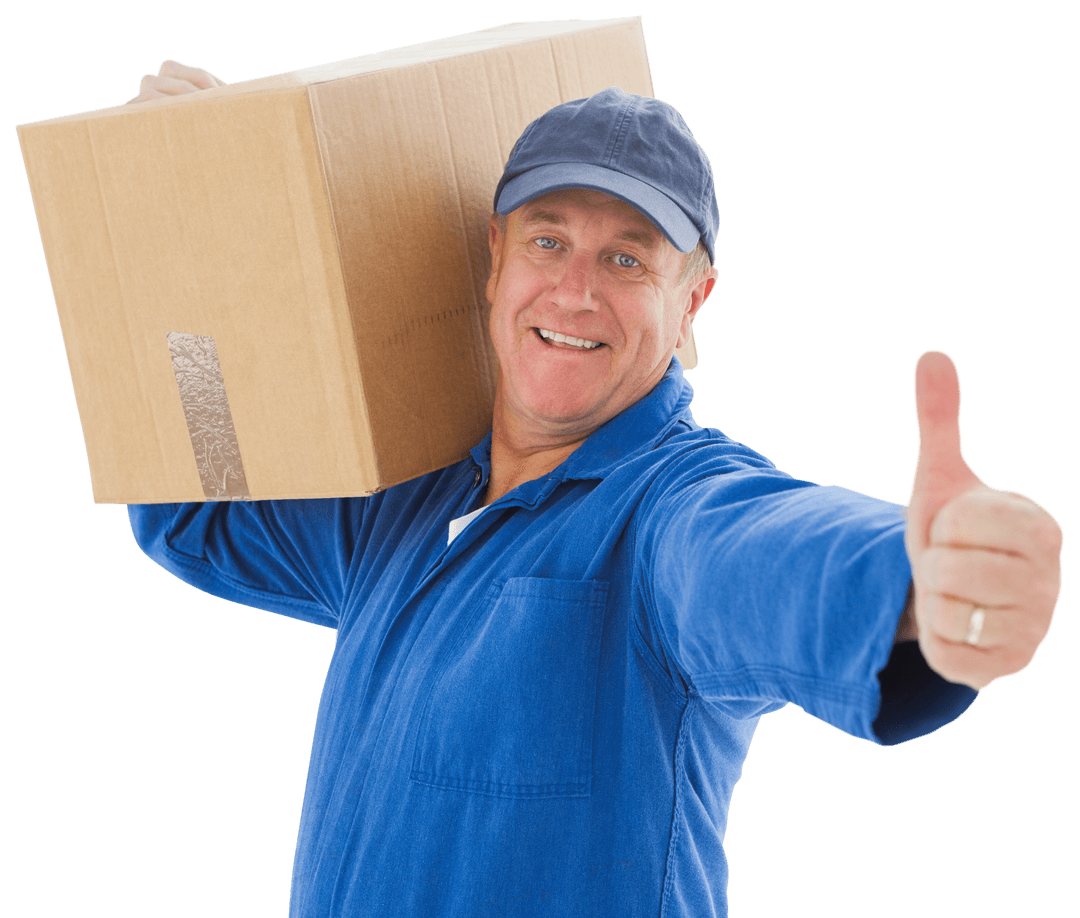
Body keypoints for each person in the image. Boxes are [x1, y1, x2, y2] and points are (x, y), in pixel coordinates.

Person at [125, 60, 1062, 917]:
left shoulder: (668, 512)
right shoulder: (399, 517)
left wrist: (918, 581)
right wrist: (186, 225)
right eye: (548, 240)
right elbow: (196, 502)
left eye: (627, 258)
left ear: (690, 302)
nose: (575, 293)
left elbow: (766, 552)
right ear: (494, 258)